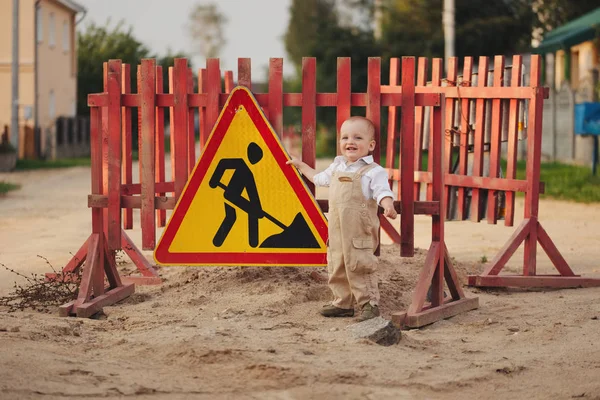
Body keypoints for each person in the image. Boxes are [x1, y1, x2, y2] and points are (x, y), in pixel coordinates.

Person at [287, 116, 397, 321]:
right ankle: (342, 302)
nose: (350, 141)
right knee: (336, 263)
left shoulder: (373, 172)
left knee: (360, 265)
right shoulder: (337, 167)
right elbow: (318, 178)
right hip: (337, 230)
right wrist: (301, 166)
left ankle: (368, 304)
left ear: (370, 145)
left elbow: (382, 192)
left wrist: (388, 204)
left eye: (357, 137)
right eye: (345, 137)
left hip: (359, 232)